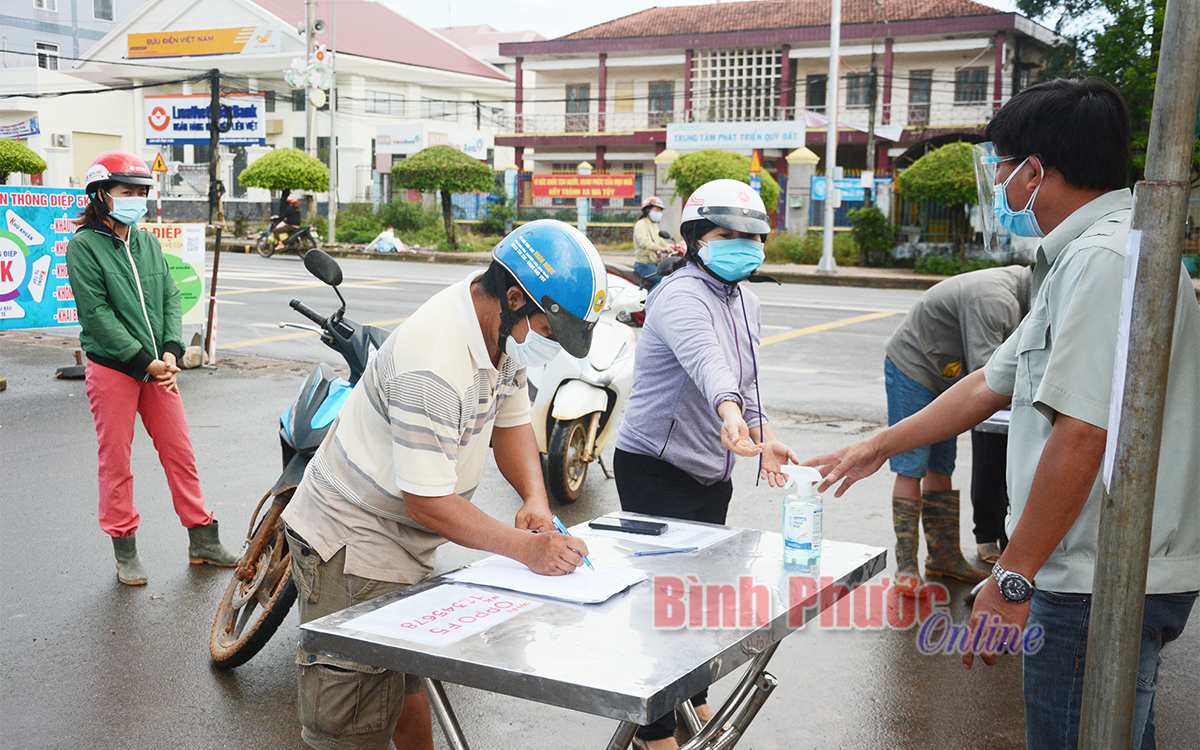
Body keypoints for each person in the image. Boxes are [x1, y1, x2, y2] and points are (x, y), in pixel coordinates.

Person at [805, 78, 1198, 750]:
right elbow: (991, 379)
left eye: (999, 166)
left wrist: (1012, 576)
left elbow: (1083, 433)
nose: (998, 183)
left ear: (1035, 171)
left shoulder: (1104, 261)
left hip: (1092, 578)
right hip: (1100, 569)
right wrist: (877, 446)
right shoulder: (1091, 252)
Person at [280, 219, 606, 750]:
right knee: (352, 725)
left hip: (406, 542)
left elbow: (513, 422)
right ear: (518, 298)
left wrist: (535, 499)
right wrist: (529, 549)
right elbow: (428, 502)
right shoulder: (434, 366)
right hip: (354, 545)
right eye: (551, 332)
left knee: (409, 687)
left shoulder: (498, 329)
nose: (553, 348)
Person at [614, 179, 798, 750]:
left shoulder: (747, 299)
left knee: (696, 598)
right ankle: (656, 730)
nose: (743, 244)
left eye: (752, 236)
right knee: (661, 606)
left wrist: (762, 436)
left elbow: (749, 380)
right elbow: (710, 366)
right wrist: (728, 411)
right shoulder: (680, 295)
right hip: (656, 468)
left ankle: (691, 698)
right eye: (728, 235)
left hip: (714, 469)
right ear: (695, 239)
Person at [67, 151, 239, 586]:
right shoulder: (83, 247)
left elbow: (169, 297)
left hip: (158, 368)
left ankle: (202, 538)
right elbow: (97, 315)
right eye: (127, 192)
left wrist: (169, 352)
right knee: (116, 461)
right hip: (114, 370)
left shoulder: (146, 242)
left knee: (180, 453)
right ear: (101, 194)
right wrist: (144, 361)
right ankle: (125, 550)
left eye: (142, 192)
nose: (136, 199)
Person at [883, 265, 1032, 594]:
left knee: (941, 463)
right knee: (912, 464)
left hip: (948, 373)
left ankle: (944, 556)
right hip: (915, 365)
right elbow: (989, 376)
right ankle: (905, 564)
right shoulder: (996, 300)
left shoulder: (1019, 296)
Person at [632, 195, 675, 286]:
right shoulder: (641, 224)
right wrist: (663, 248)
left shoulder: (654, 226)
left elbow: (661, 241)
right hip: (643, 264)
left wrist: (673, 247)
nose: (659, 213)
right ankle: (651, 299)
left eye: (660, 211)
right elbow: (644, 242)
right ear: (648, 210)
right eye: (657, 210)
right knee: (664, 281)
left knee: (671, 276)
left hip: (653, 264)